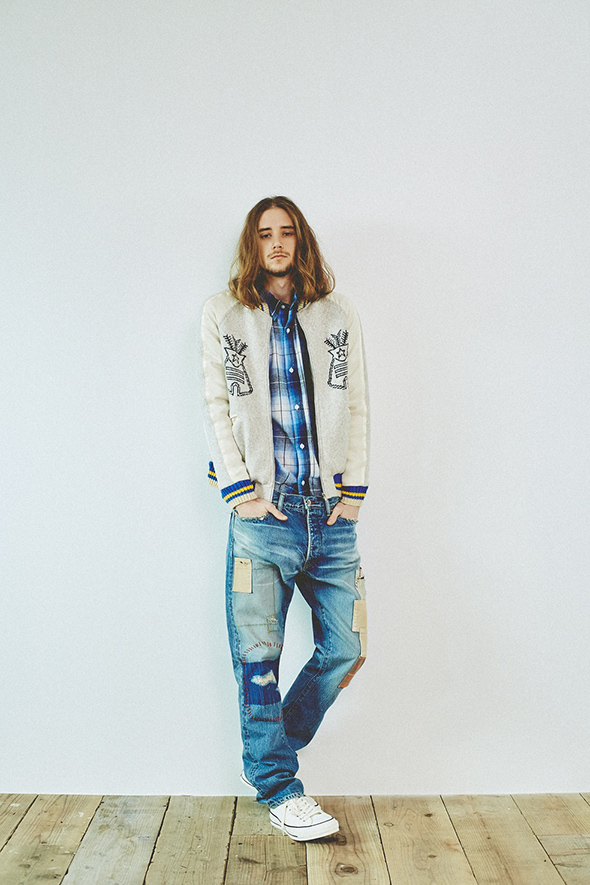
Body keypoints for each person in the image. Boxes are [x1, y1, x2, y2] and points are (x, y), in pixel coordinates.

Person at [200, 196, 369, 841]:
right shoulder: (225, 313)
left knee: (347, 648)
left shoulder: (337, 314)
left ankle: (268, 745)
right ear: (253, 244)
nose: (277, 243)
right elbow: (217, 405)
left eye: (287, 232)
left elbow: (357, 402)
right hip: (263, 515)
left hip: (330, 513)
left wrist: (353, 489)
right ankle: (278, 785)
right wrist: (240, 491)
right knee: (259, 660)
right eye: (265, 234)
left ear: (301, 241)